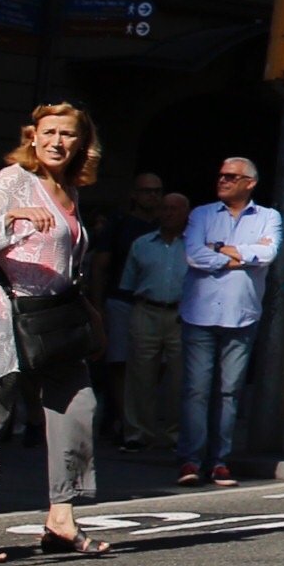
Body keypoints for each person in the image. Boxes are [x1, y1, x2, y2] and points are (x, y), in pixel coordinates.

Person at [0, 101, 109, 558]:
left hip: (53, 321)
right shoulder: (14, 180)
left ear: (82, 143)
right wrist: (14, 216)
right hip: (3, 315)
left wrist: (90, 310)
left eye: (68, 134)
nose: (57, 142)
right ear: (33, 137)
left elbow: (63, 260)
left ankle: (62, 516)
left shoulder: (68, 189)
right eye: (49, 132)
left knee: (78, 405)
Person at [176, 154, 280, 487]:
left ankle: (220, 460)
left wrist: (219, 249)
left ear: (250, 183)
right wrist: (241, 256)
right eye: (221, 175)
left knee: (229, 391)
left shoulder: (269, 216)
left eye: (231, 177)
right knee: (196, 390)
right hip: (200, 313)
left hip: (241, 315)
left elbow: (269, 254)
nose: (223, 180)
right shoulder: (201, 213)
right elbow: (193, 254)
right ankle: (191, 460)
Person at [113, 189, 190, 450]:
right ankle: (137, 433)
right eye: (164, 208)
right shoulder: (142, 244)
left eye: (175, 209)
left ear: (186, 214)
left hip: (182, 314)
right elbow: (129, 282)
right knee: (139, 375)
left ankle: (175, 435)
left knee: (180, 377)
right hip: (146, 309)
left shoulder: (194, 245)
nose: (168, 213)